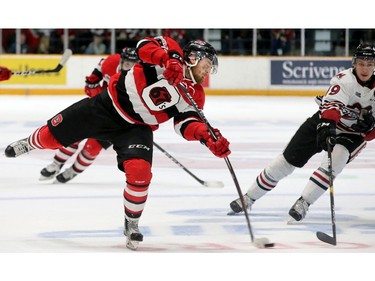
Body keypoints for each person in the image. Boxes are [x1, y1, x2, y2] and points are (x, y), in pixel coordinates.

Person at [4, 36, 231, 250]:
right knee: (50, 138)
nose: (209, 70)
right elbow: (143, 46)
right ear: (192, 57)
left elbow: (184, 124)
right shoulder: (170, 51)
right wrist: (167, 59)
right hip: (106, 107)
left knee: (140, 173)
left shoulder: (196, 94)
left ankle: (131, 223)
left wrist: (206, 136)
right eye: (207, 63)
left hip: (136, 128)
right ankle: (30, 143)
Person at [228, 43, 375, 222]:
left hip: (353, 135)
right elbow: (331, 106)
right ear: (354, 63)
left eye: (370, 63)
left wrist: (369, 131)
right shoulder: (344, 80)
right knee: (287, 161)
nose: (365, 68)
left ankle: (304, 202)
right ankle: (249, 197)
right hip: (324, 122)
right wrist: (326, 125)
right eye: (361, 63)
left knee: (335, 162)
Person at [39, 47, 139, 183]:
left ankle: (73, 171)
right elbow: (90, 83)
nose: (130, 69)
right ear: (121, 61)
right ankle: (56, 164)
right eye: (127, 64)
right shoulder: (109, 63)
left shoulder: (139, 81)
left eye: (134, 65)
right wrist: (97, 96)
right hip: (96, 109)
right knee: (73, 137)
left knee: (91, 149)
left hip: (115, 121)